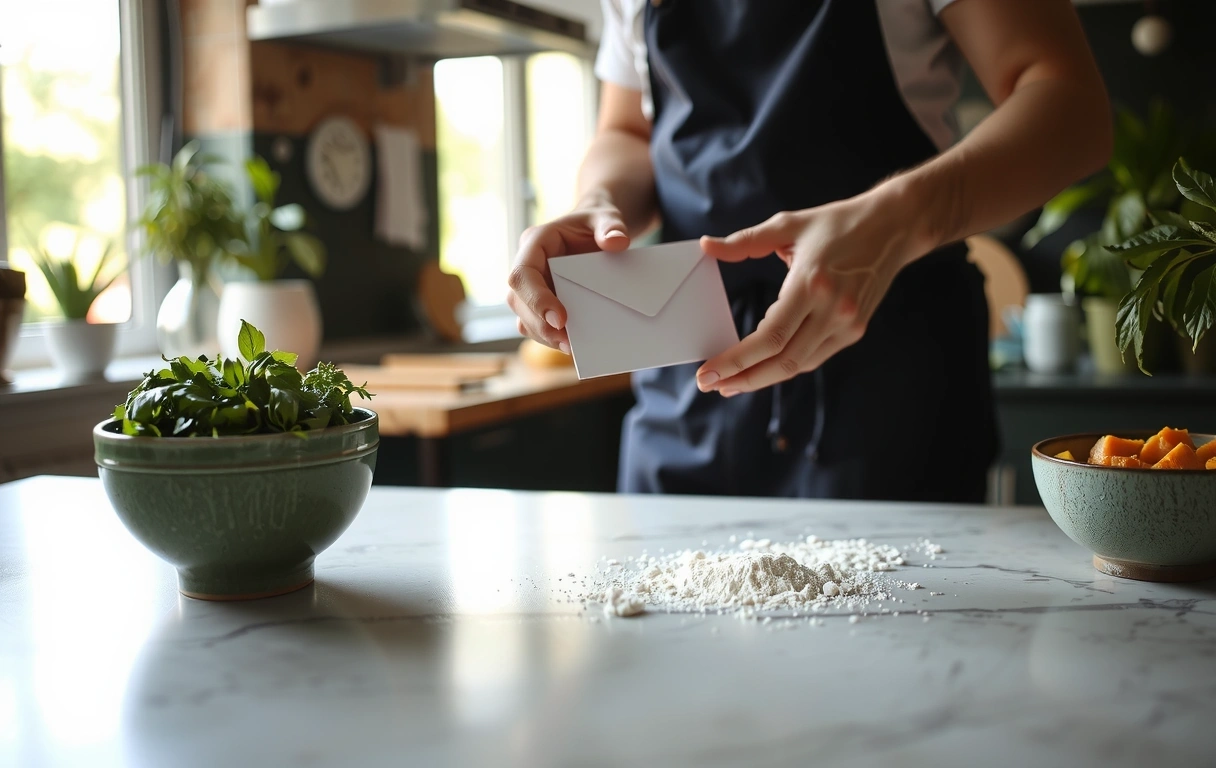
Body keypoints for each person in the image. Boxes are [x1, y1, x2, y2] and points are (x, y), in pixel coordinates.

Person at [507, 0, 1111, 502]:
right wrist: (600, 200)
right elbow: (627, 131)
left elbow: (1070, 104)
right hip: (685, 367)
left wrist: (896, 219)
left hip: (887, 378)